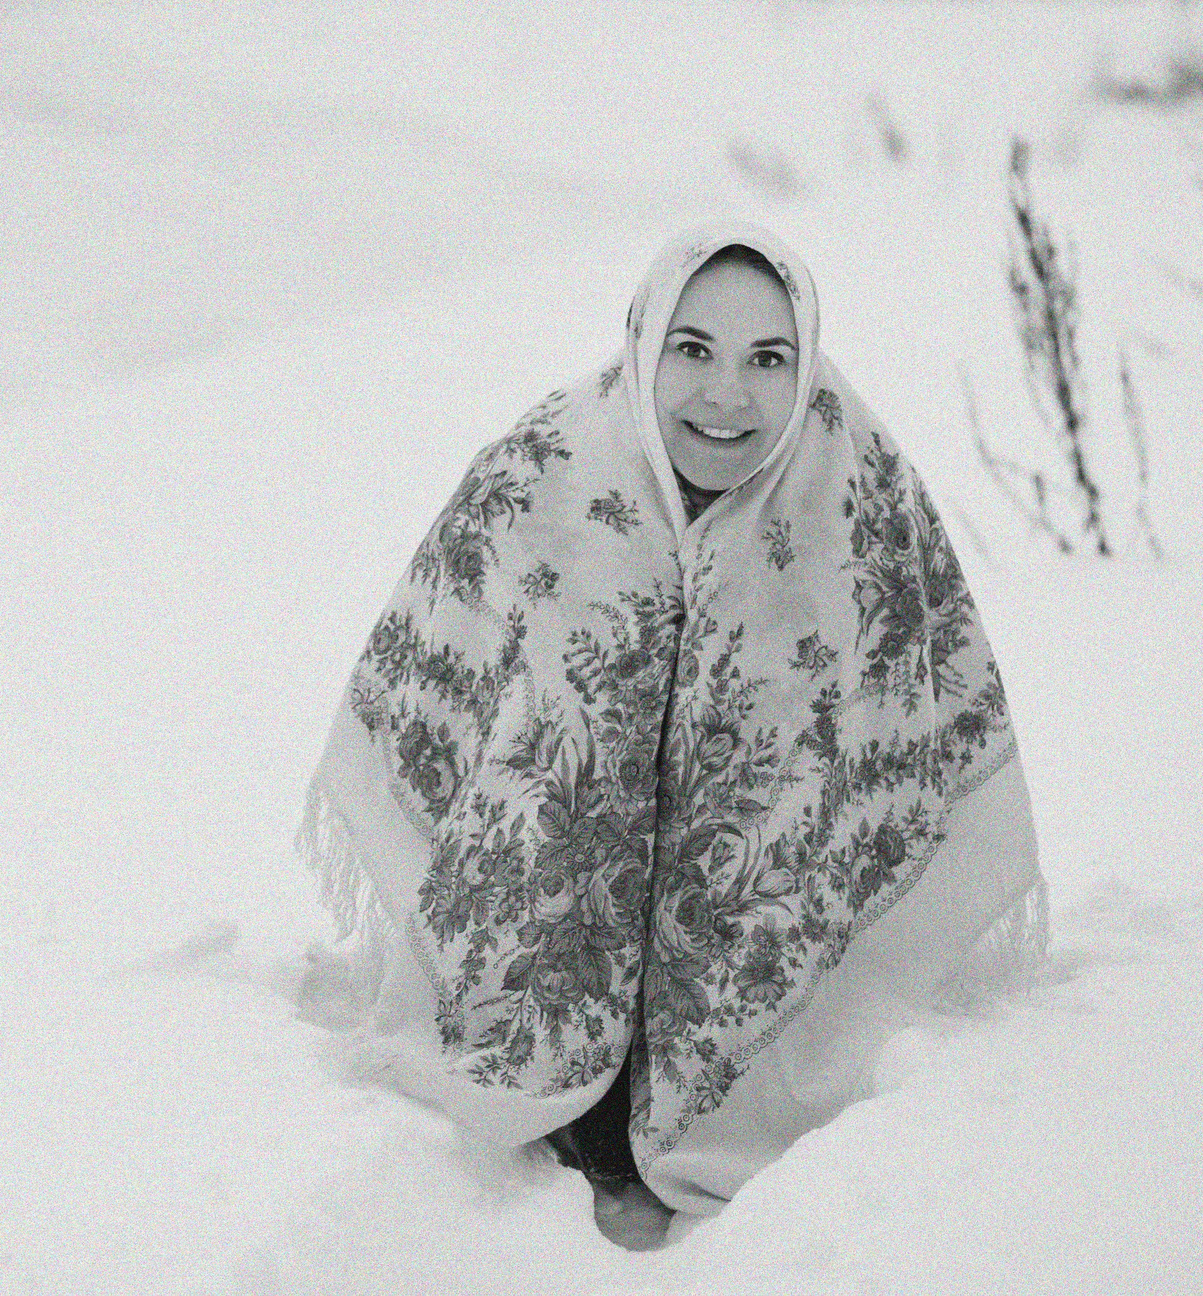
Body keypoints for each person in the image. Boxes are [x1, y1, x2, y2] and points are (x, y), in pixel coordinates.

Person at [299, 223, 1047, 1249]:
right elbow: (440, 677)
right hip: (548, 928)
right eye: (693, 350)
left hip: (768, 941)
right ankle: (571, 1077)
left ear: (807, 363)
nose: (725, 396)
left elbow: (915, 726)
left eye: (766, 359)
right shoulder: (548, 462)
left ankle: (719, 1077)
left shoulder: (858, 485)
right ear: (646, 343)